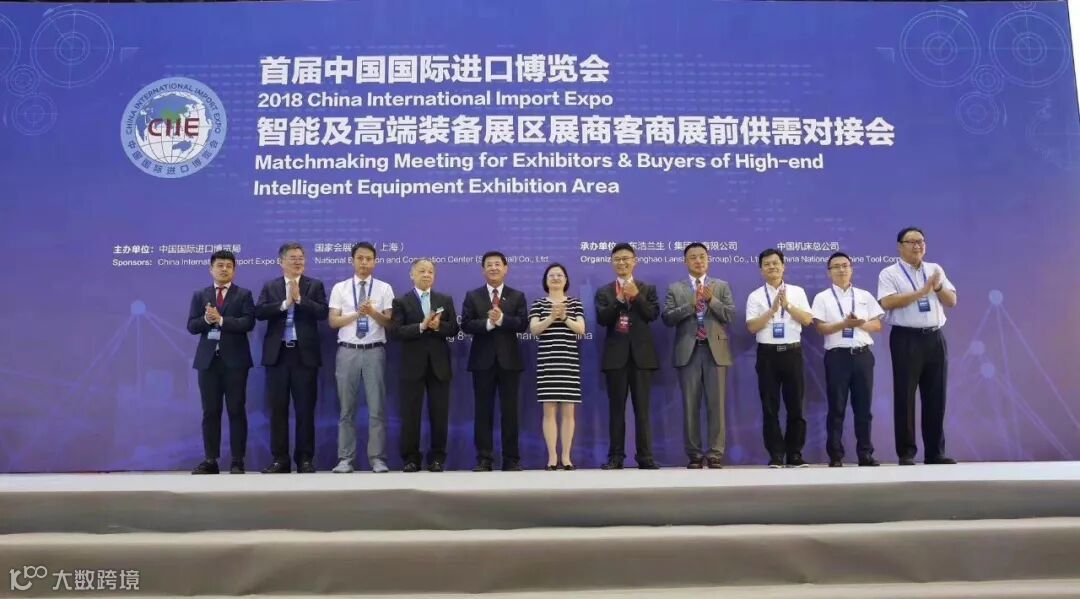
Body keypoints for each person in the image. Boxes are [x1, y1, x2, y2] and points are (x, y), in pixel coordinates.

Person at [878, 227, 958, 465]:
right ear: (899, 246)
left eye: (921, 241)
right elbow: (887, 301)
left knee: (936, 396)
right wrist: (921, 292)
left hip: (934, 337)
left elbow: (952, 300)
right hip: (906, 338)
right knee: (905, 396)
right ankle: (906, 453)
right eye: (911, 242)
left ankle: (935, 452)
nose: (917, 246)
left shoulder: (935, 269)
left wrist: (938, 287)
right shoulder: (889, 273)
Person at [255, 242, 328, 474]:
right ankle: (280, 459)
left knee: (305, 410)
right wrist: (284, 304)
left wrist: (300, 300)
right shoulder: (271, 286)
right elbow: (259, 312)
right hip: (278, 356)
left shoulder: (314, 285)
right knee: (278, 410)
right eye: (293, 258)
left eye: (300, 258)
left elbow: (322, 312)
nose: (298, 261)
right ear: (281, 262)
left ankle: (305, 459)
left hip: (304, 356)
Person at [661, 242, 735, 469]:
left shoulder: (721, 286)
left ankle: (715, 454)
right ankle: (694, 454)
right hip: (688, 351)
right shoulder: (676, 288)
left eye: (702, 256)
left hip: (715, 352)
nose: (698, 261)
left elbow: (730, 315)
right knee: (690, 406)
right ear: (686, 262)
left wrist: (712, 301)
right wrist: (690, 305)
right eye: (693, 257)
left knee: (716, 406)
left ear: (708, 259)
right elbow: (667, 318)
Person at [811, 252, 885, 467]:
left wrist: (859, 324)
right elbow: (820, 328)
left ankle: (865, 454)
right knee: (836, 407)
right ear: (829, 272)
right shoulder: (822, 297)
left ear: (851, 269)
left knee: (864, 409)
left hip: (863, 356)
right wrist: (844, 325)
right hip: (837, 357)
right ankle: (835, 455)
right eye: (836, 266)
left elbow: (877, 325)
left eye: (845, 265)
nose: (841, 270)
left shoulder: (864, 295)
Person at [187, 250, 256, 475]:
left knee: (236, 410)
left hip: (235, 362)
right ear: (211, 269)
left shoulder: (243, 294)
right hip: (208, 362)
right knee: (210, 412)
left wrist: (222, 320)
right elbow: (191, 326)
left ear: (234, 270)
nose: (224, 269)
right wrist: (207, 319)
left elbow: (248, 323)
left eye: (228, 265)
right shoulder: (200, 295)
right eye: (220, 265)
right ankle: (211, 460)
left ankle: (237, 460)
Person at [328, 242, 395, 474]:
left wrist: (372, 313)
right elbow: (333, 321)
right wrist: (357, 314)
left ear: (375, 261)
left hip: (374, 351)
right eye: (360, 258)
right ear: (352, 260)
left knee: (377, 408)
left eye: (368, 259)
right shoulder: (341, 288)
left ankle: (377, 459)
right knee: (346, 409)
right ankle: (345, 459)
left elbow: (389, 322)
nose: (364, 262)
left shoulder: (384, 288)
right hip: (348, 351)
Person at [745, 248, 814, 468]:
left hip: (792, 353)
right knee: (770, 407)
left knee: (796, 407)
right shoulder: (755, 296)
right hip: (767, 355)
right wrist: (772, 310)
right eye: (767, 264)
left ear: (783, 266)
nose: (772, 267)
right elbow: (752, 327)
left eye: (775, 263)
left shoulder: (797, 291)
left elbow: (807, 320)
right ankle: (775, 455)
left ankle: (795, 454)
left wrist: (787, 306)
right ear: (761, 270)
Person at [461, 251, 528, 472]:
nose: (493, 268)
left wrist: (501, 319)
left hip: (509, 362)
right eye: (489, 265)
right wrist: (488, 324)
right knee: (483, 412)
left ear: (505, 268)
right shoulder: (473, 295)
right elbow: (466, 325)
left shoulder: (517, 296)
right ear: (483, 270)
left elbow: (522, 324)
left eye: (497, 264)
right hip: (482, 362)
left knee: (510, 412)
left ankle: (511, 459)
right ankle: (484, 459)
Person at [595, 243, 660, 470]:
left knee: (642, 410)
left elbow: (652, 314)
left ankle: (645, 457)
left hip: (642, 357)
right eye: (617, 259)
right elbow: (602, 319)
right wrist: (620, 299)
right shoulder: (604, 291)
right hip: (615, 357)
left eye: (626, 259)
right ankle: (616, 457)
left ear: (634, 261)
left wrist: (636, 296)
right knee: (616, 410)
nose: (622, 263)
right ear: (612, 263)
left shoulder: (647, 289)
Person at [391, 259, 459, 472]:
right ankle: (411, 459)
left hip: (439, 365)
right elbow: (396, 331)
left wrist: (439, 326)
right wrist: (420, 326)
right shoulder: (401, 301)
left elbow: (454, 328)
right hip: (412, 365)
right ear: (412, 274)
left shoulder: (444, 299)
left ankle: (437, 458)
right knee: (411, 414)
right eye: (422, 271)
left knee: (439, 414)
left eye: (430, 271)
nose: (427, 275)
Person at [529, 263, 586, 470]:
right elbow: (534, 329)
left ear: (566, 279)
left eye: (559, 275)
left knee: (569, 413)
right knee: (549, 411)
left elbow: (581, 329)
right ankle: (552, 457)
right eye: (551, 275)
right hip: (547, 362)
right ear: (546, 280)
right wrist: (551, 317)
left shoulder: (574, 303)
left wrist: (565, 317)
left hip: (568, 362)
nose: (555, 278)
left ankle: (566, 457)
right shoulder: (538, 304)